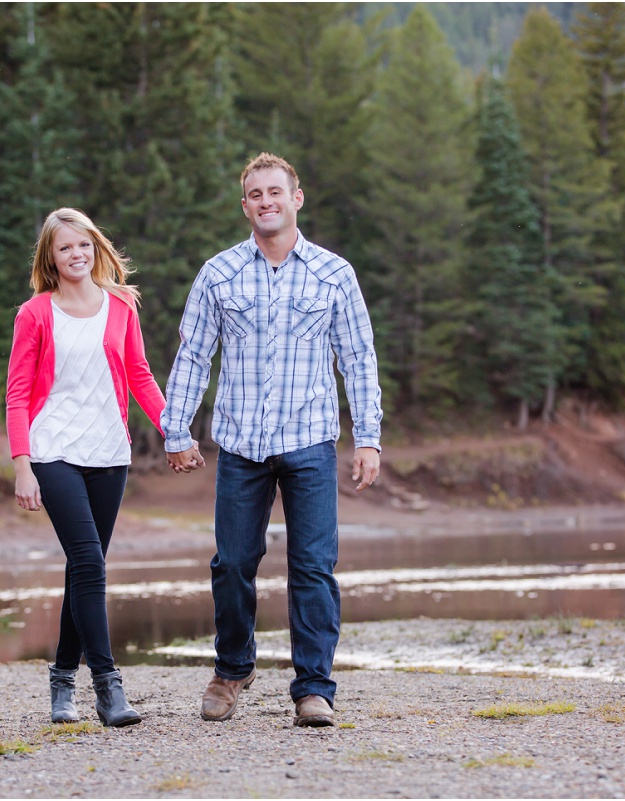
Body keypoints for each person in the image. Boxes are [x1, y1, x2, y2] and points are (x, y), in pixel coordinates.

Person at [160, 152, 383, 728]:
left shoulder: (335, 274)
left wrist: (369, 438)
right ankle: (232, 669)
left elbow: (358, 359)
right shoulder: (218, 274)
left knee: (313, 565)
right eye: (255, 194)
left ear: (296, 198)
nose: (266, 202)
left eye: (275, 192)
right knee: (233, 562)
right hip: (240, 442)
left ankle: (314, 688)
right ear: (245, 206)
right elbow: (193, 355)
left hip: (310, 441)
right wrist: (175, 429)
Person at [6, 207, 175, 727]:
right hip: (53, 449)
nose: (76, 254)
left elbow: (140, 376)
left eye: (84, 245)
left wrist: (176, 431)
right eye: (65, 248)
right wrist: (22, 465)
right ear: (50, 259)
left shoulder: (121, 304)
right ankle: (108, 686)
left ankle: (61, 681)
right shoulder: (34, 313)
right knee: (90, 565)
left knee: (85, 570)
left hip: (109, 452)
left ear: (96, 247)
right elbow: (15, 395)